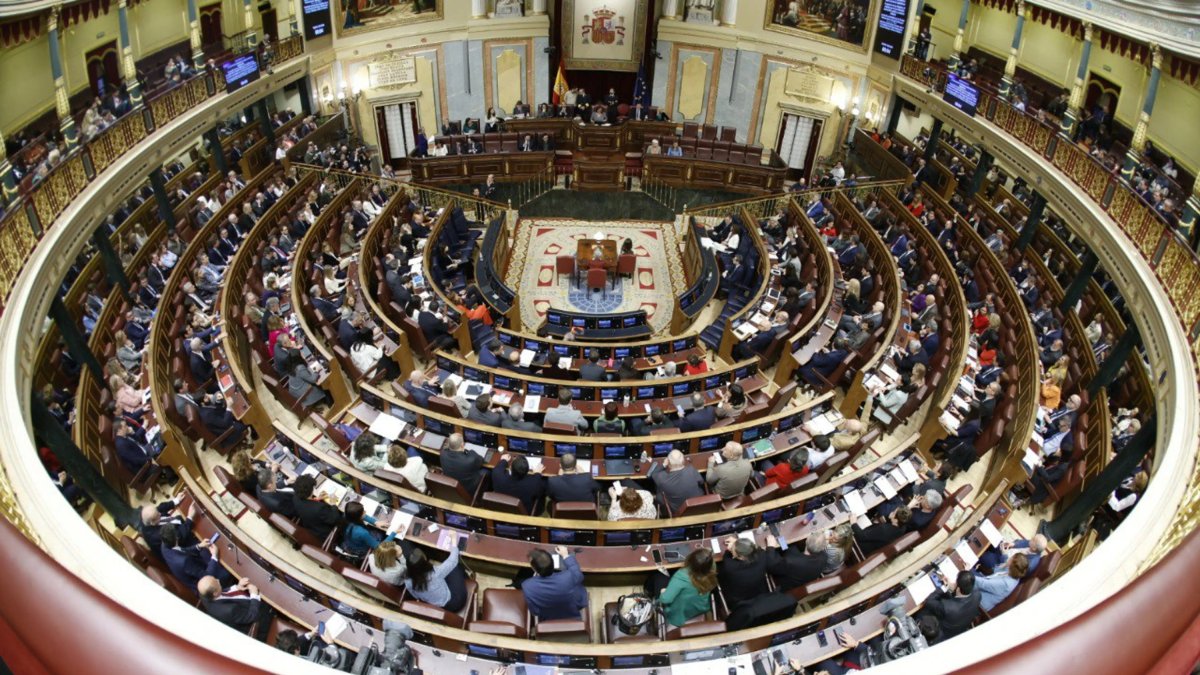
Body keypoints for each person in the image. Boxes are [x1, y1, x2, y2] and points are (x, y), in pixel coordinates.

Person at [522, 547, 589, 621]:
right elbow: (577, 573)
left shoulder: (527, 586)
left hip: (547, 618)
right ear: (553, 563)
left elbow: (535, 612)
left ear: (534, 569)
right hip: (573, 612)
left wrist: (534, 580)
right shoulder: (569, 577)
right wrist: (565, 555)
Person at [657, 548, 718, 627]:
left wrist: (663, 592)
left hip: (680, 615)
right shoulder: (712, 566)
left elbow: (665, 600)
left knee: (658, 580)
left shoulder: (682, 575)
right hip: (700, 607)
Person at [405, 544, 469, 612]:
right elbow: (453, 561)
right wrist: (454, 542)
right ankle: (468, 578)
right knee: (457, 567)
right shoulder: (435, 574)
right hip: (454, 602)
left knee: (448, 571)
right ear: (424, 562)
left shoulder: (407, 580)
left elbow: (416, 596)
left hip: (436, 605)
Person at [922, 570, 981, 639]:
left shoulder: (947, 608)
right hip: (959, 628)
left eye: (955, 582)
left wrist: (944, 587)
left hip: (944, 633)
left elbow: (928, 601)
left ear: (958, 589)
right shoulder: (978, 595)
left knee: (922, 612)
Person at [197, 575, 266, 633]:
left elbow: (223, 593)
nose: (218, 580)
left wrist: (238, 587)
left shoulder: (204, 594)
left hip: (240, 606)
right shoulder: (229, 610)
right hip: (254, 617)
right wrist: (254, 594)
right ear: (214, 593)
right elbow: (252, 616)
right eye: (216, 581)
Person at [717, 537, 770, 609]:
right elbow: (755, 548)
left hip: (738, 601)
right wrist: (739, 543)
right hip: (760, 593)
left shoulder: (730, 566)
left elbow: (726, 558)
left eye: (733, 551)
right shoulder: (762, 555)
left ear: (741, 557)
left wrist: (728, 550)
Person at [291, 474, 341, 540]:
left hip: (310, 524)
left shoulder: (295, 497)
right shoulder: (319, 508)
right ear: (311, 490)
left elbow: (306, 503)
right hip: (324, 532)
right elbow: (334, 519)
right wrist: (333, 504)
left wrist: (317, 499)